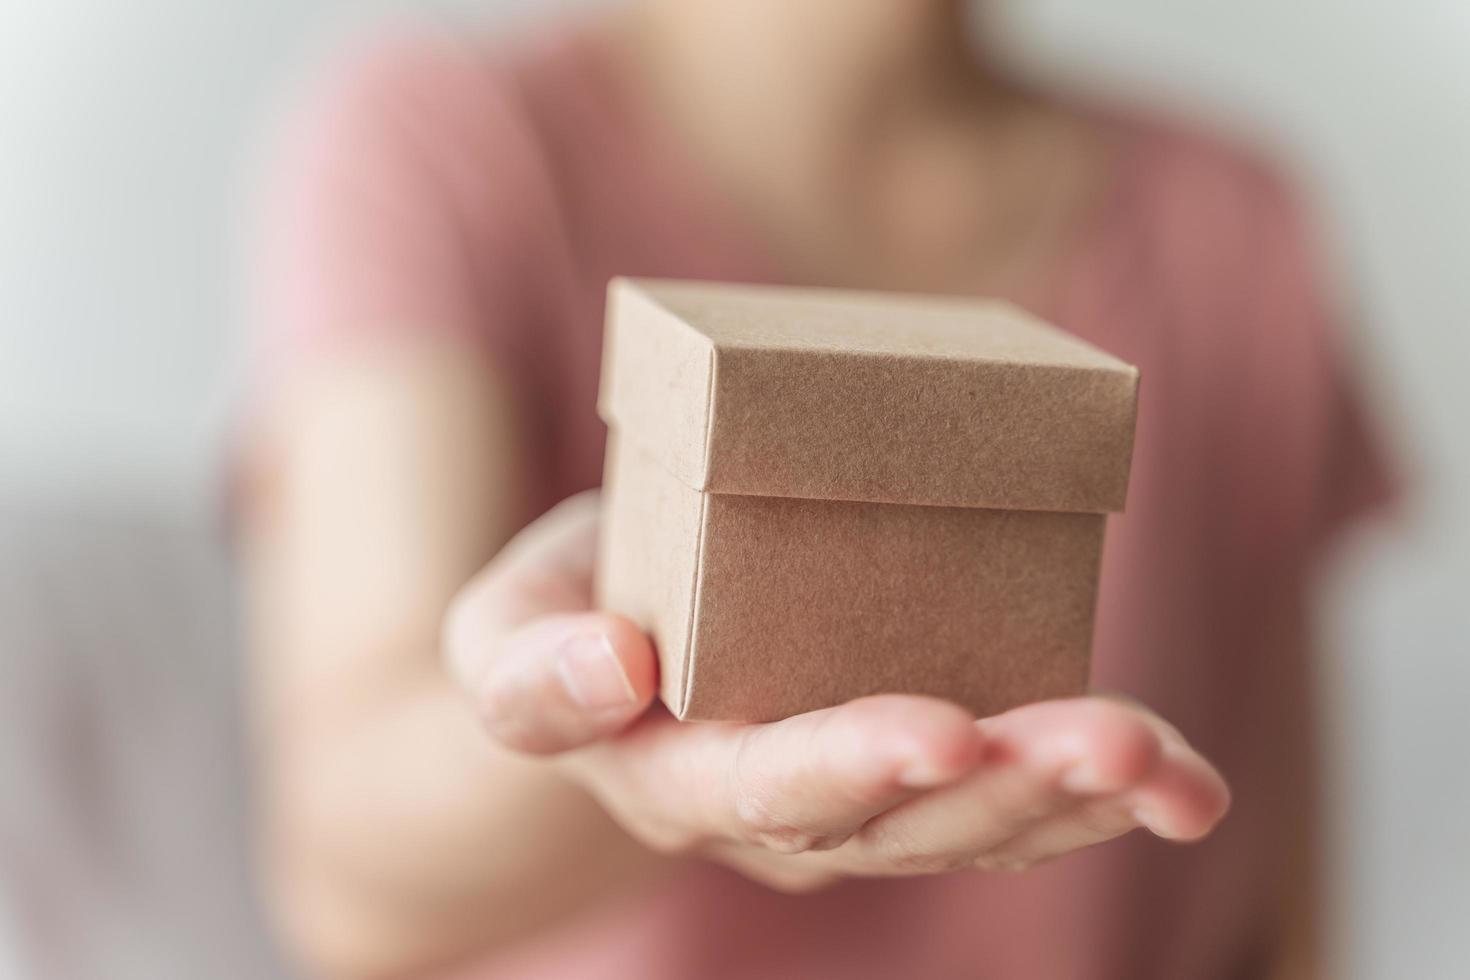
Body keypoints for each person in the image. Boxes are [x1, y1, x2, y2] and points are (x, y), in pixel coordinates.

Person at [240, 1, 1396, 978]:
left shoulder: (1232, 220)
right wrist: (621, 750)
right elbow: (341, 867)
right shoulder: (451, 145)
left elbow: (1267, 892)